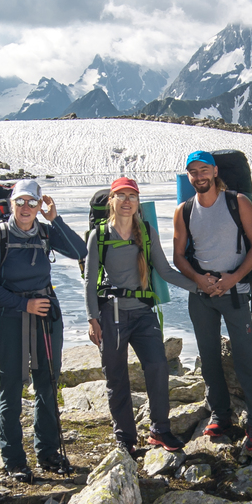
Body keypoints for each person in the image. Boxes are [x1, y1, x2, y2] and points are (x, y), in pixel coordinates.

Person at [0, 177, 88, 482]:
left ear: (40, 206)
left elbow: (79, 250)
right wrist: (21, 304)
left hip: (46, 317)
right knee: (11, 388)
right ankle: (14, 460)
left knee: (47, 383)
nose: (26, 208)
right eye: (21, 202)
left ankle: (49, 453)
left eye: (33, 202)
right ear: (12, 203)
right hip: (13, 318)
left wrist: (56, 220)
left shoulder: (45, 231)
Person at [85, 177, 199, 453]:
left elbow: (165, 270)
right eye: (121, 196)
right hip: (110, 314)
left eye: (131, 196)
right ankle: (125, 437)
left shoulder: (146, 231)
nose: (126, 202)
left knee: (158, 366)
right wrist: (92, 319)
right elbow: (89, 281)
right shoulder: (99, 235)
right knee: (116, 375)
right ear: (111, 201)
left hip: (142, 313)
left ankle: (160, 429)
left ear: (137, 202)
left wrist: (201, 285)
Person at [172, 149, 252, 456]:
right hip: (202, 294)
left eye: (204, 170)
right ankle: (221, 415)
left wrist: (233, 278)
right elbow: (178, 256)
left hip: (235, 292)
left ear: (214, 172)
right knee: (209, 356)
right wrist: (200, 280)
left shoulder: (238, 202)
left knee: (244, 358)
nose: (199, 176)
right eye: (193, 172)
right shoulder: (184, 210)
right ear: (189, 177)